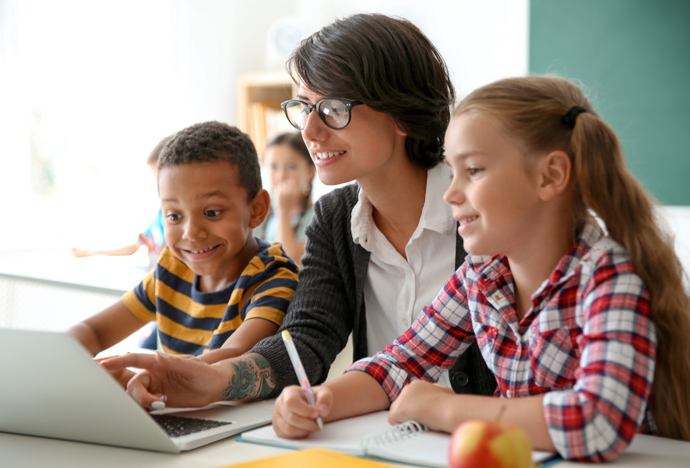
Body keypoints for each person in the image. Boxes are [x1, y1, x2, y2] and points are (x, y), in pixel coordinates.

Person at [271, 75, 690, 462]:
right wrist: (320, 400)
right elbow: (398, 364)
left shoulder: (608, 275)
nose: (451, 194)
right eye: (453, 172)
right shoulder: (483, 273)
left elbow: (598, 420)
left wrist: (447, 407)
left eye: (473, 171)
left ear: (551, 176)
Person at [102, 13, 496, 409]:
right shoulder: (337, 218)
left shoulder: (485, 211)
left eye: (333, 108)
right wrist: (214, 379)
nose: (309, 131)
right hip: (383, 438)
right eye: (305, 107)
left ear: (402, 111)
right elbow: (306, 340)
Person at [69, 121, 300, 392]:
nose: (192, 233)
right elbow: (94, 332)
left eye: (212, 212)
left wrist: (146, 379)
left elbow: (235, 354)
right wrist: (64, 355)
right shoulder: (171, 270)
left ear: (257, 209)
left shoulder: (273, 276)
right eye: (174, 216)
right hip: (174, 418)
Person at [71, 134, 172, 262]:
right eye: (155, 177)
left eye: (160, 176)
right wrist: (93, 252)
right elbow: (134, 247)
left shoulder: (177, 220)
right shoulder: (159, 217)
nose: (158, 183)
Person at [255, 131, 315, 265]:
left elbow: (287, 261)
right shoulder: (260, 217)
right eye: (273, 167)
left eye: (291, 167)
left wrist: (283, 210)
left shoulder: (316, 219)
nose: (281, 176)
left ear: (310, 171)